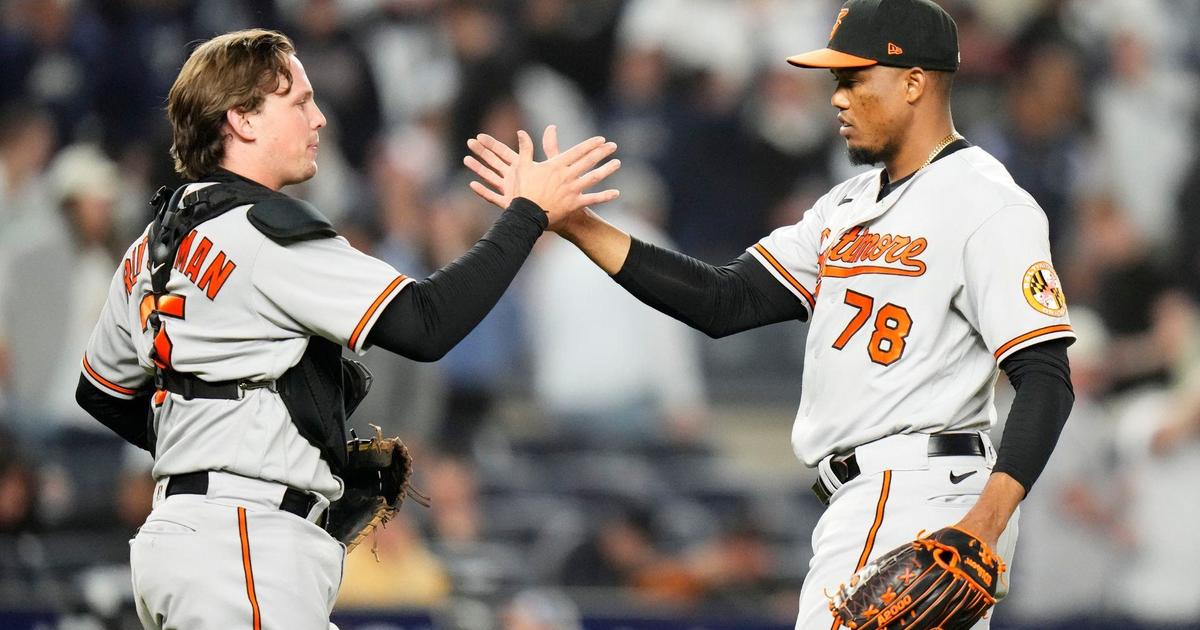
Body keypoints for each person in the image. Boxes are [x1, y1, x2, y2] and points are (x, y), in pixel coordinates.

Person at [465, 1, 1075, 627]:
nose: (835, 98)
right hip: (865, 497)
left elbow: (1047, 376)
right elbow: (725, 299)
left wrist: (986, 520)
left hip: (922, 491)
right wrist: (579, 224)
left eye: (853, 79)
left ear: (914, 82)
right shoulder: (844, 206)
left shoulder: (987, 203)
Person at [74, 28, 620, 630]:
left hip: (181, 540)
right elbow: (425, 323)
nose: (321, 119)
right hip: (245, 544)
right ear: (242, 121)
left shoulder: (151, 246)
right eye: (300, 102)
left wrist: (214, 441)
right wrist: (527, 214)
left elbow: (101, 392)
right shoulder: (264, 232)